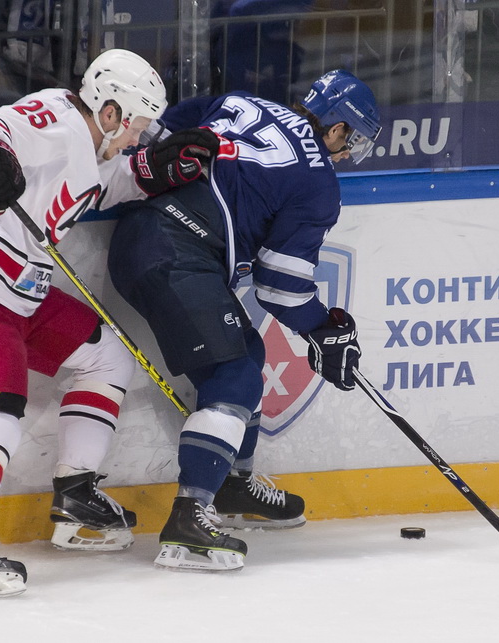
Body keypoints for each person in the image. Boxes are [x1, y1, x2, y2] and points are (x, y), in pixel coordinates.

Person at [0, 48, 219, 597]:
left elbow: (111, 182)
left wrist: (162, 168)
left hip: (20, 289)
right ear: (109, 113)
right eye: (138, 127)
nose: (138, 138)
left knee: (106, 358)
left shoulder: (93, 148)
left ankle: (76, 490)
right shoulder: (55, 119)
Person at [107, 69, 381, 571]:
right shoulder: (318, 181)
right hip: (177, 253)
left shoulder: (243, 101)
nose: (346, 155)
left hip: (140, 235)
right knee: (232, 375)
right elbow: (280, 286)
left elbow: (155, 129)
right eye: (352, 141)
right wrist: (324, 328)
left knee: (246, 356)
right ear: (338, 128)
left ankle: (233, 487)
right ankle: (189, 521)